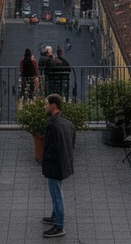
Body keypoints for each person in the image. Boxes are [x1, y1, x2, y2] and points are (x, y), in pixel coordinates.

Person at [40, 94, 75, 239]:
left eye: (47, 104)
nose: (45, 107)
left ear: (53, 106)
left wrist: (46, 161)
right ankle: (55, 216)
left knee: (57, 195)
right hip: (63, 164)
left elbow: (50, 148)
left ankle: (59, 225)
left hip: (54, 166)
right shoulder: (67, 123)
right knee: (56, 193)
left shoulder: (53, 125)